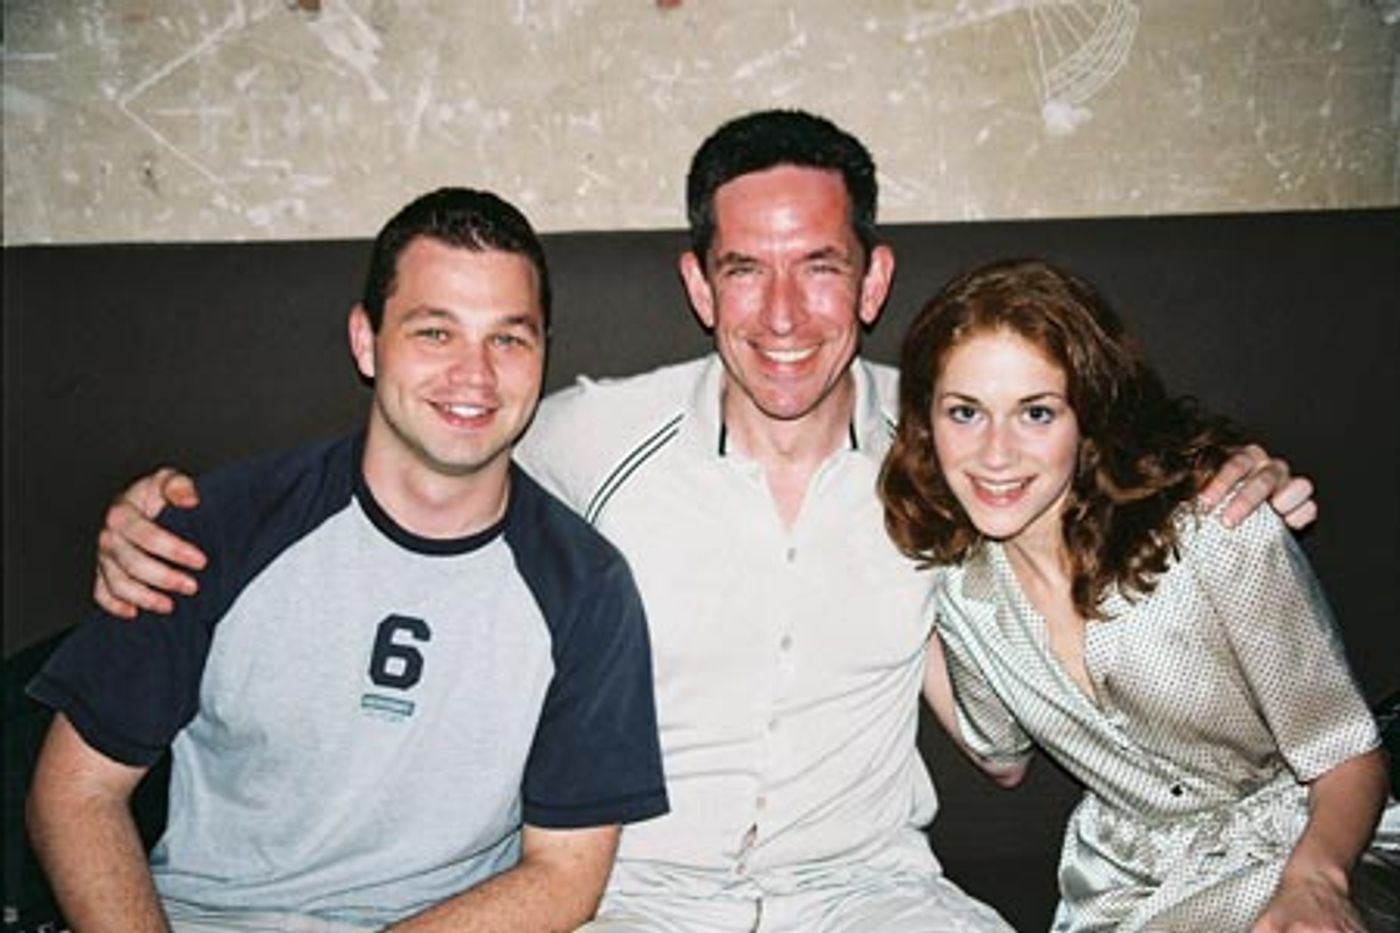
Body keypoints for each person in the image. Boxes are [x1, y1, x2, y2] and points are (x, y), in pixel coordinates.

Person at [87, 111, 1315, 931]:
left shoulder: (953, 444)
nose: (782, 314)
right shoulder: (580, 437)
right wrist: (158, 514)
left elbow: (1105, 457)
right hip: (632, 897)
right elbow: (422, 450)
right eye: (742, 268)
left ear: (872, 279)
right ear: (696, 283)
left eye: (819, 265)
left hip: (871, 894)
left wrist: (1229, 473)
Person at [26, 188, 669, 932]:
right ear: (367, 341)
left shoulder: (586, 587)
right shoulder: (215, 529)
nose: (475, 375)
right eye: (435, 332)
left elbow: (564, 875)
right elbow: (75, 794)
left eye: (508, 339)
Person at [879, 258, 1392, 931]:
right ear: (928, 421)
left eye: (1036, 412)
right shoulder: (961, 590)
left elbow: (1348, 755)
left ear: (1088, 419)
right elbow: (1000, 755)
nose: (995, 453)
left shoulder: (1215, 531)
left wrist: (1314, 883)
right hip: (1124, 891)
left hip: (1310, 848)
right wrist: (892, 591)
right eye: (965, 412)